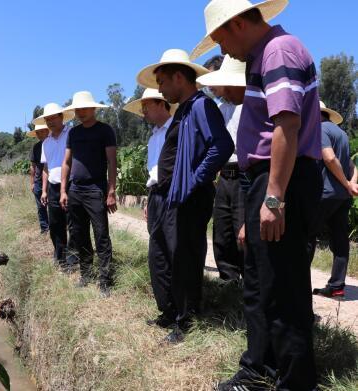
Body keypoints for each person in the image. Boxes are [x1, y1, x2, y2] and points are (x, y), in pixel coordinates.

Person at [192, 0, 323, 389]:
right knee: (261, 282)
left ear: (236, 25)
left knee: (284, 287)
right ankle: (260, 366)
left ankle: (297, 381)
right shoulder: (261, 57)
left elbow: (286, 125)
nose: (220, 49)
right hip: (266, 177)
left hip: (282, 177)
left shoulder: (278, 51)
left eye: (219, 38)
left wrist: (274, 198)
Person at [137, 48, 234, 342]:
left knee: (185, 259)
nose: (162, 88)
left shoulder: (202, 106)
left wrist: (194, 180)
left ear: (179, 77)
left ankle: (187, 319)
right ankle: (170, 312)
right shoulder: (186, 110)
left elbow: (221, 145)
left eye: (163, 82)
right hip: (171, 197)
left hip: (189, 198)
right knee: (162, 256)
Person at [59, 91, 117, 297]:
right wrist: (64, 190)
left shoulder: (105, 131)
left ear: (93, 109)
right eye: (77, 109)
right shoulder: (73, 133)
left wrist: (111, 191)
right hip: (75, 190)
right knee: (79, 234)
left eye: (84, 108)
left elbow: (112, 162)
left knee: (101, 235)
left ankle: (105, 280)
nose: (81, 112)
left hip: (96, 190)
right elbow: (66, 162)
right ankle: (86, 273)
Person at [198, 55, 248, 282]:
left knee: (243, 233)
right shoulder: (215, 108)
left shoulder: (246, 105)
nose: (209, 85)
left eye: (213, 79)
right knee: (222, 233)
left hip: (243, 175)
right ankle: (228, 282)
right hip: (223, 178)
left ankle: (250, 287)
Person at [310, 102, 358, 298]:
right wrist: (351, 184)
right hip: (341, 197)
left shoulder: (319, 130)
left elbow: (329, 159)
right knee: (340, 239)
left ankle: (296, 286)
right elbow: (353, 165)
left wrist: (347, 184)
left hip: (325, 193)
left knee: (307, 235)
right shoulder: (341, 133)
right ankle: (337, 286)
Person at [122, 88, 177, 219]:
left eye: (146, 105)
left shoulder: (177, 130)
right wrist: (149, 201)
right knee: (155, 238)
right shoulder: (153, 138)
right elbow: (152, 173)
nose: (143, 111)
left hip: (172, 193)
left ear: (162, 104)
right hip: (155, 194)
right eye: (142, 107)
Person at [33, 103, 75, 268]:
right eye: (47, 119)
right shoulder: (46, 142)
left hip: (71, 183)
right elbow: (45, 167)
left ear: (61, 117)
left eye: (53, 118)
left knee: (72, 223)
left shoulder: (71, 134)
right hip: (53, 186)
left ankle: (73, 259)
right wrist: (44, 190)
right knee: (55, 224)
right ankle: (60, 257)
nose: (50, 121)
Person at [28, 124, 50, 234]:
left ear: (47, 131)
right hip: (38, 181)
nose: (39, 134)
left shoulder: (53, 143)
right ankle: (45, 228)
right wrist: (32, 183)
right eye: (37, 132)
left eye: (41, 131)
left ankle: (57, 227)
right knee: (41, 207)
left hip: (52, 180)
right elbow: (33, 166)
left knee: (54, 205)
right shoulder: (36, 147)